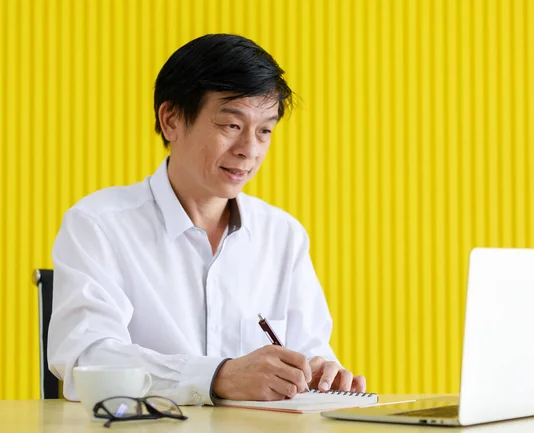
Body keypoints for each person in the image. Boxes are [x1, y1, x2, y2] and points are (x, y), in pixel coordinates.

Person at [48, 33, 366, 405]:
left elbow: (310, 350)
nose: (249, 149)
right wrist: (216, 377)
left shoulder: (283, 235)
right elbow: (89, 360)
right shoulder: (98, 224)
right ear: (171, 121)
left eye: (265, 130)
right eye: (231, 126)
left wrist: (323, 373)